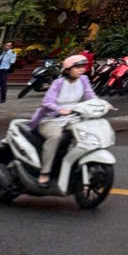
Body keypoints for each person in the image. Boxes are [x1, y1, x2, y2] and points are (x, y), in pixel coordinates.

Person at [29, 54, 97, 187]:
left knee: (86, 134)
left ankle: (75, 164)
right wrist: (60, 110)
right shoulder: (58, 83)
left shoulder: (84, 80)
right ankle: (45, 172)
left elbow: (90, 95)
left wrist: (101, 104)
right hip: (51, 118)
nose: (81, 70)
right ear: (68, 69)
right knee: (55, 137)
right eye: (77, 67)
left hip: (72, 118)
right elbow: (47, 102)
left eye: (83, 67)